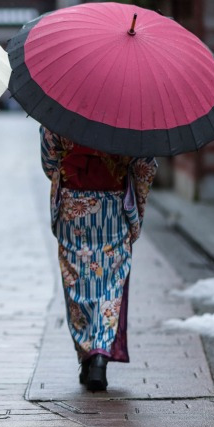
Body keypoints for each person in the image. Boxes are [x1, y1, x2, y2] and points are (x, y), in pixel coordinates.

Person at [39, 125, 157, 391]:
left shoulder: (62, 107)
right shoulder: (130, 111)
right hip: (112, 204)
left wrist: (68, 172)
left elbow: (49, 158)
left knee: (76, 279)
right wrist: (135, 210)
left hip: (73, 203)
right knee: (112, 280)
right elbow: (145, 166)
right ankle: (101, 352)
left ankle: (86, 353)